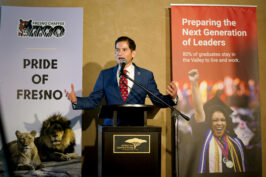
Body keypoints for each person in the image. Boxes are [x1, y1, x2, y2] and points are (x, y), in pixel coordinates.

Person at [65, 36, 178, 125]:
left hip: (137, 129)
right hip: (111, 130)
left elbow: (157, 100)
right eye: (117, 50)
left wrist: (172, 98)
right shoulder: (106, 75)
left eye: (124, 50)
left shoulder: (145, 75)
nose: (120, 53)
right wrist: (76, 100)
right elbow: (93, 101)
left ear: (133, 53)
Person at [188, 69, 246, 173]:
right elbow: (199, 111)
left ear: (227, 122)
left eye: (222, 120)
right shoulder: (204, 138)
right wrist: (194, 84)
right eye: (215, 120)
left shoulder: (237, 142)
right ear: (210, 123)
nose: (219, 123)